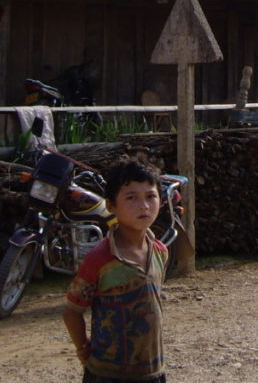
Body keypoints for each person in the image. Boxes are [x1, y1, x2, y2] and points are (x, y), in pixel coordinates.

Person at [63, 158, 170, 382]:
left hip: (152, 370)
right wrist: (83, 347)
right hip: (107, 374)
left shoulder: (160, 252)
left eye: (151, 196)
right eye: (131, 198)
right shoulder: (100, 260)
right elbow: (72, 311)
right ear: (111, 206)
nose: (144, 206)